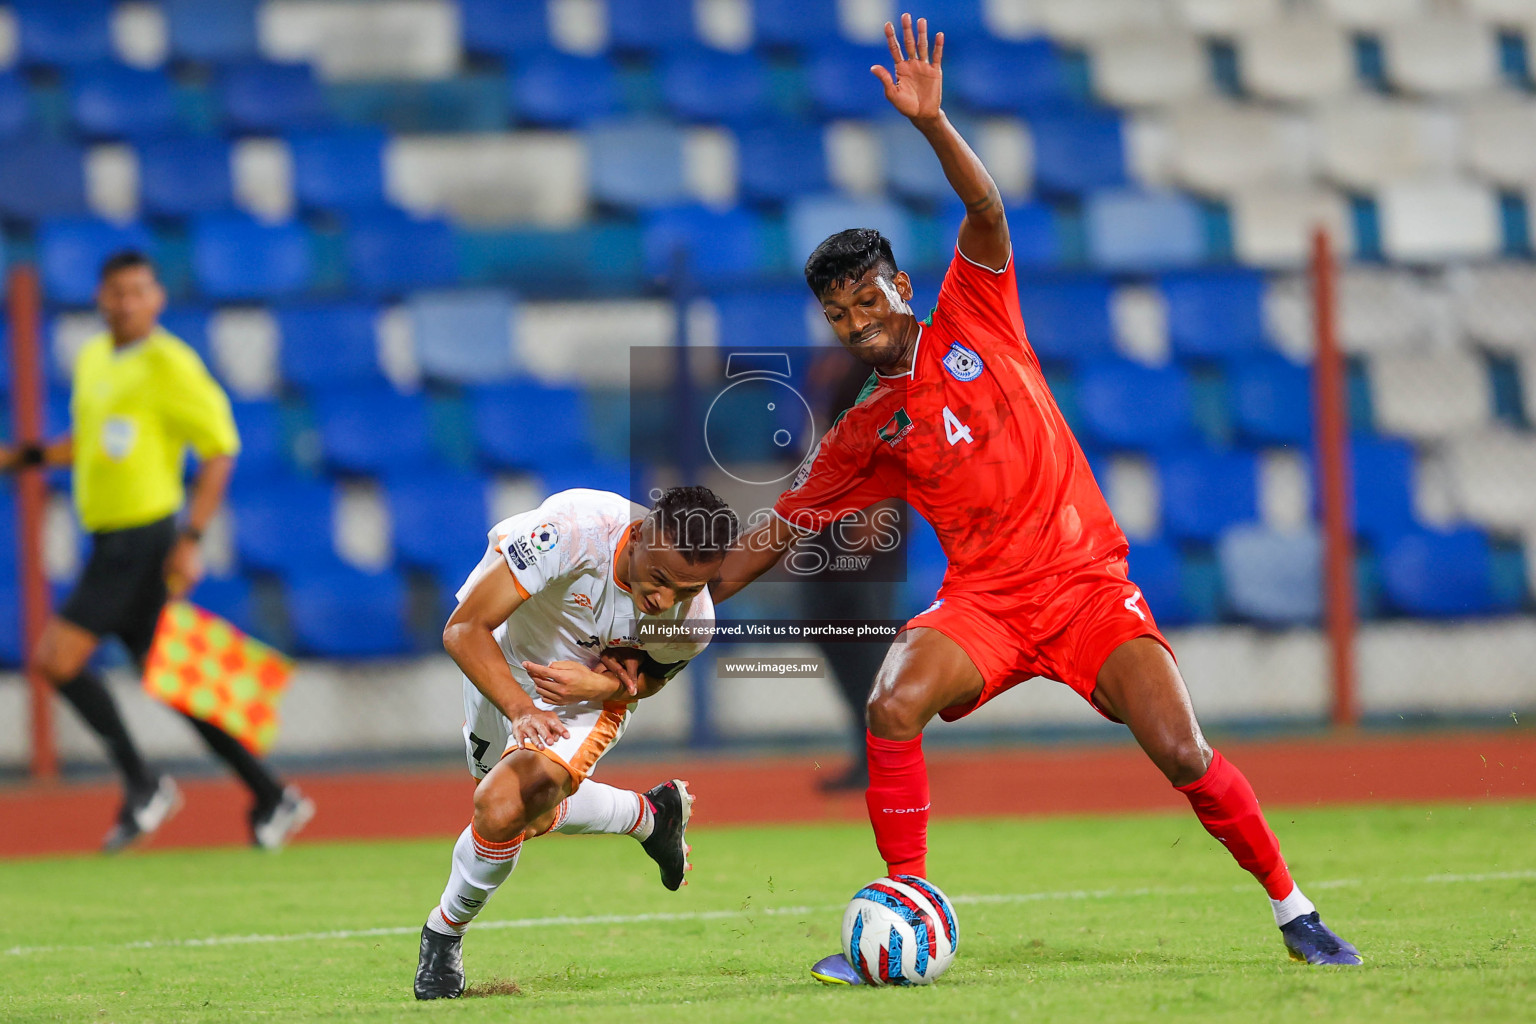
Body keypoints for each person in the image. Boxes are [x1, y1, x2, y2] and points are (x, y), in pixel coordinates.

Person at [710, 14, 1361, 978]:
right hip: (988, 605)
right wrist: (690, 603)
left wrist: (932, 124)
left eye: (869, 301)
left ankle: (1295, 910)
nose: (858, 324)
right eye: (840, 315)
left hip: (1089, 587)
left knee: (1181, 752)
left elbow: (986, 211)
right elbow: (781, 527)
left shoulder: (976, 309)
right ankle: (904, 901)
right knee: (892, 704)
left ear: (900, 287)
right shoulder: (865, 430)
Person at [0, 250, 313, 852]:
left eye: (138, 291)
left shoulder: (171, 364)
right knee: (171, 676)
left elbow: (220, 448)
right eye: (116, 291)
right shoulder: (94, 357)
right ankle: (272, 795)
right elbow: (92, 442)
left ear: (157, 298)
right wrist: (28, 457)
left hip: (142, 537)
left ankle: (144, 784)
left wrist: (190, 539)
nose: (126, 302)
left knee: (56, 659)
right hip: (108, 538)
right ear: (100, 297)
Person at [413, 485, 738, 1000]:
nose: (663, 602)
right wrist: (521, 710)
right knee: (530, 817)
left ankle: (442, 934)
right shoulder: (572, 532)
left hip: (584, 695)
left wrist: (603, 686)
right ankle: (650, 816)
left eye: (684, 589)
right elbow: (464, 629)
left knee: (501, 806)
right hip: (498, 659)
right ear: (640, 536)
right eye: (659, 580)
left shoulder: (692, 618)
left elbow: (648, 680)